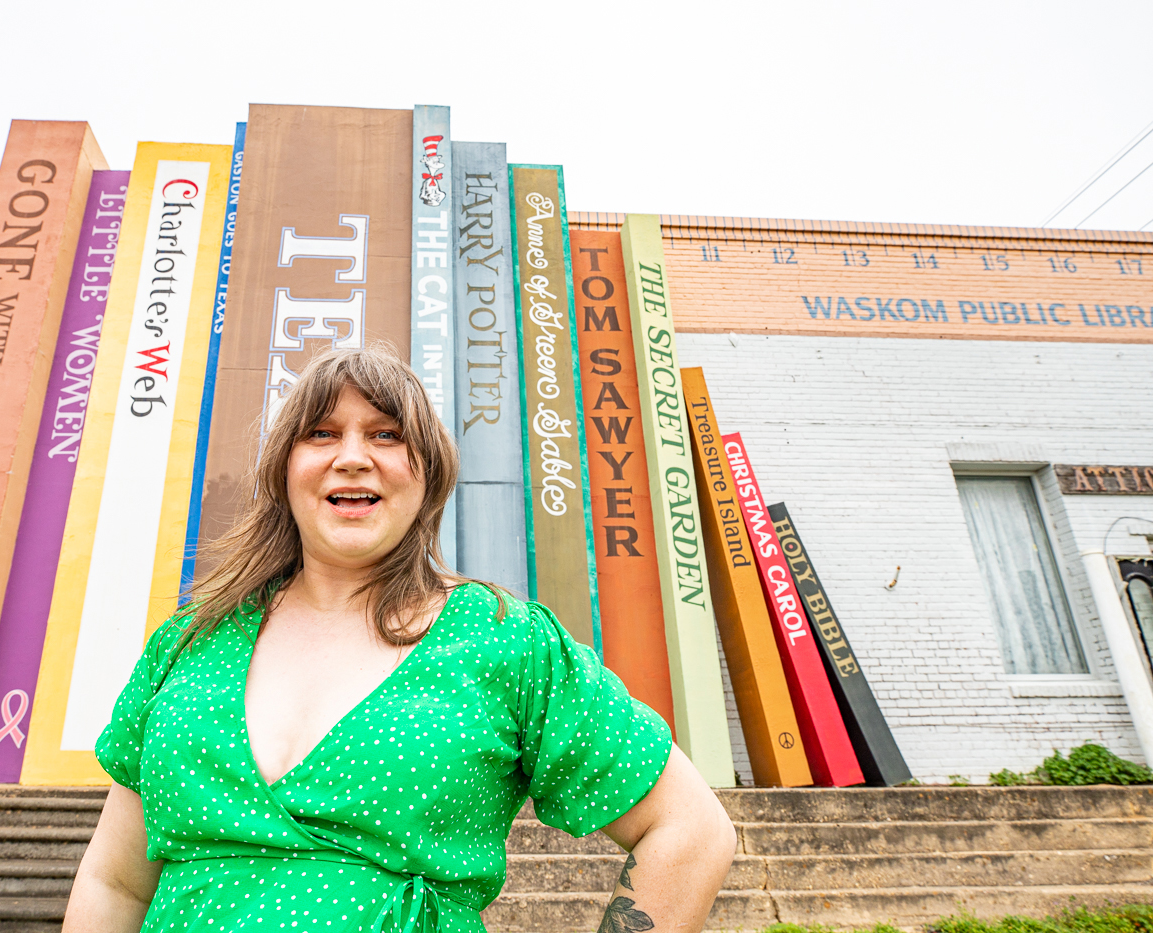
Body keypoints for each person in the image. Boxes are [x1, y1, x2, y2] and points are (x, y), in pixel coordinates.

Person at [63, 346, 737, 933]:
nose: (352, 457)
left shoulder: (506, 643)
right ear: (284, 468)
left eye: (385, 435)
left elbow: (691, 830)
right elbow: (115, 882)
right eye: (322, 433)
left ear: (428, 472)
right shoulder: (188, 644)